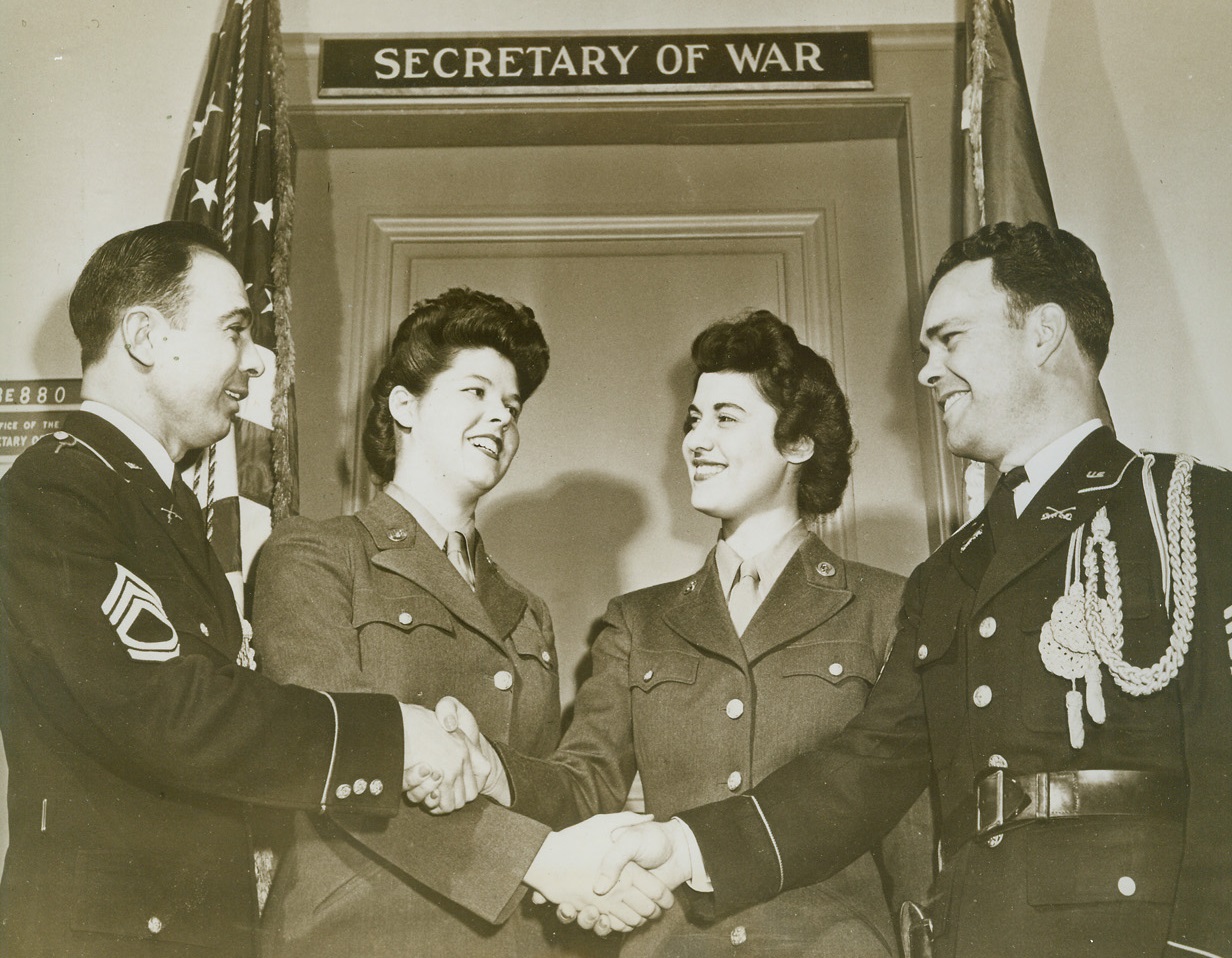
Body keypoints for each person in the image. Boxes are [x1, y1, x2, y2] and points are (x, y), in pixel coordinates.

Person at [590, 222, 1232, 958]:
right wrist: (685, 846)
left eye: (949, 340)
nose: (927, 371)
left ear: (1044, 333)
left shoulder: (1187, 509)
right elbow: (863, 769)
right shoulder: (949, 573)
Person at [0, 222, 493, 957]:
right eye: (233, 330)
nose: (254, 363)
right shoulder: (59, 490)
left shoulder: (152, 500)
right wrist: (392, 737)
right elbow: (166, 707)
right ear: (143, 335)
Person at [424, 311, 935, 955]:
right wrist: (492, 769)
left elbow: (908, 827)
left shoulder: (887, 606)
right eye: (694, 419)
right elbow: (584, 786)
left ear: (799, 443)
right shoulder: (638, 623)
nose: (695, 440)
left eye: (727, 417)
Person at [254, 288, 669, 956]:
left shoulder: (526, 608)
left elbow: (550, 786)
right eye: (475, 392)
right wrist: (535, 861)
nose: (500, 419)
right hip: (360, 936)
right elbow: (333, 753)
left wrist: (504, 779)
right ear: (404, 405)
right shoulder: (315, 554)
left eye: (511, 406)